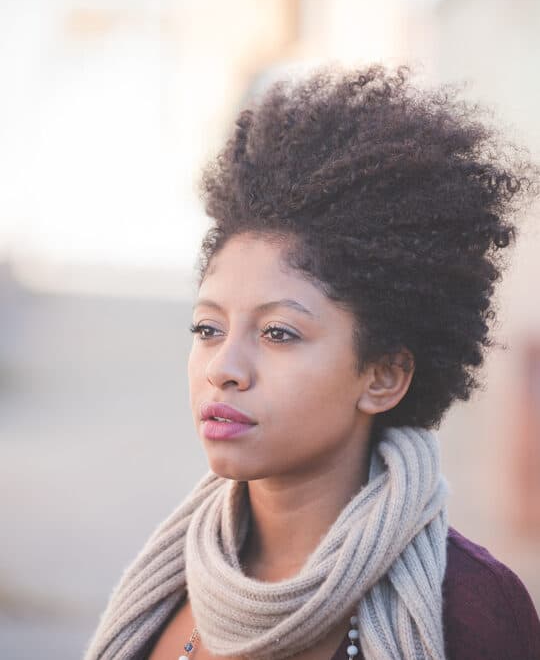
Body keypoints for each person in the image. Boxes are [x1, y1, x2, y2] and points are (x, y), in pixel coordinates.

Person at [83, 64, 540, 660]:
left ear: (383, 376)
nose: (225, 367)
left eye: (277, 332)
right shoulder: (167, 590)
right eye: (208, 328)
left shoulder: (475, 615)